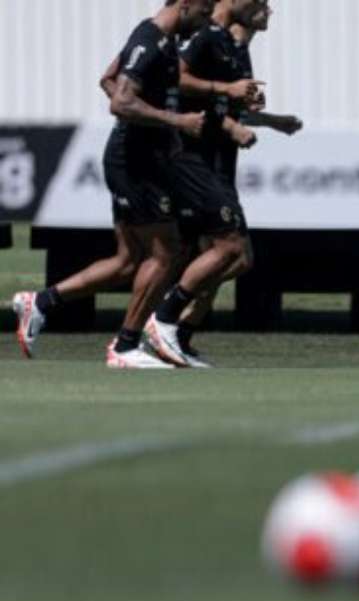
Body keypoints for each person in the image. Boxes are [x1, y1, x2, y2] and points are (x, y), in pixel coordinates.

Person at [11, 0, 213, 368]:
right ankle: (124, 347)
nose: (204, 23)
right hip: (134, 161)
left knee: (127, 261)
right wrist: (175, 121)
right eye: (204, 12)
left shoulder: (160, 40)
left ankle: (39, 303)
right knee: (167, 253)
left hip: (141, 158)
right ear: (185, 5)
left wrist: (161, 128)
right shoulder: (149, 41)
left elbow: (107, 78)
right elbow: (120, 102)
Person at [170, 0, 304, 366]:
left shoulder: (235, 48)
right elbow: (178, 86)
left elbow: (227, 105)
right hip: (198, 163)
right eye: (259, 3)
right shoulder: (206, 36)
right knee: (229, 253)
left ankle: (174, 334)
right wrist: (229, 123)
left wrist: (272, 120)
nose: (267, 9)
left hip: (219, 164)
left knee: (228, 257)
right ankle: (162, 326)